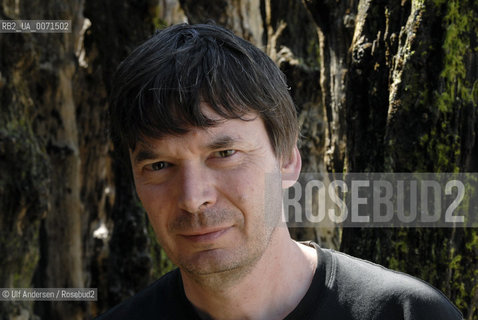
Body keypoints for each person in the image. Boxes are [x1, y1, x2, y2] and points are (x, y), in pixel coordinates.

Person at [96, 23, 463, 320]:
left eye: (224, 153)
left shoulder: (406, 314)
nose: (193, 198)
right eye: (159, 165)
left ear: (287, 161)